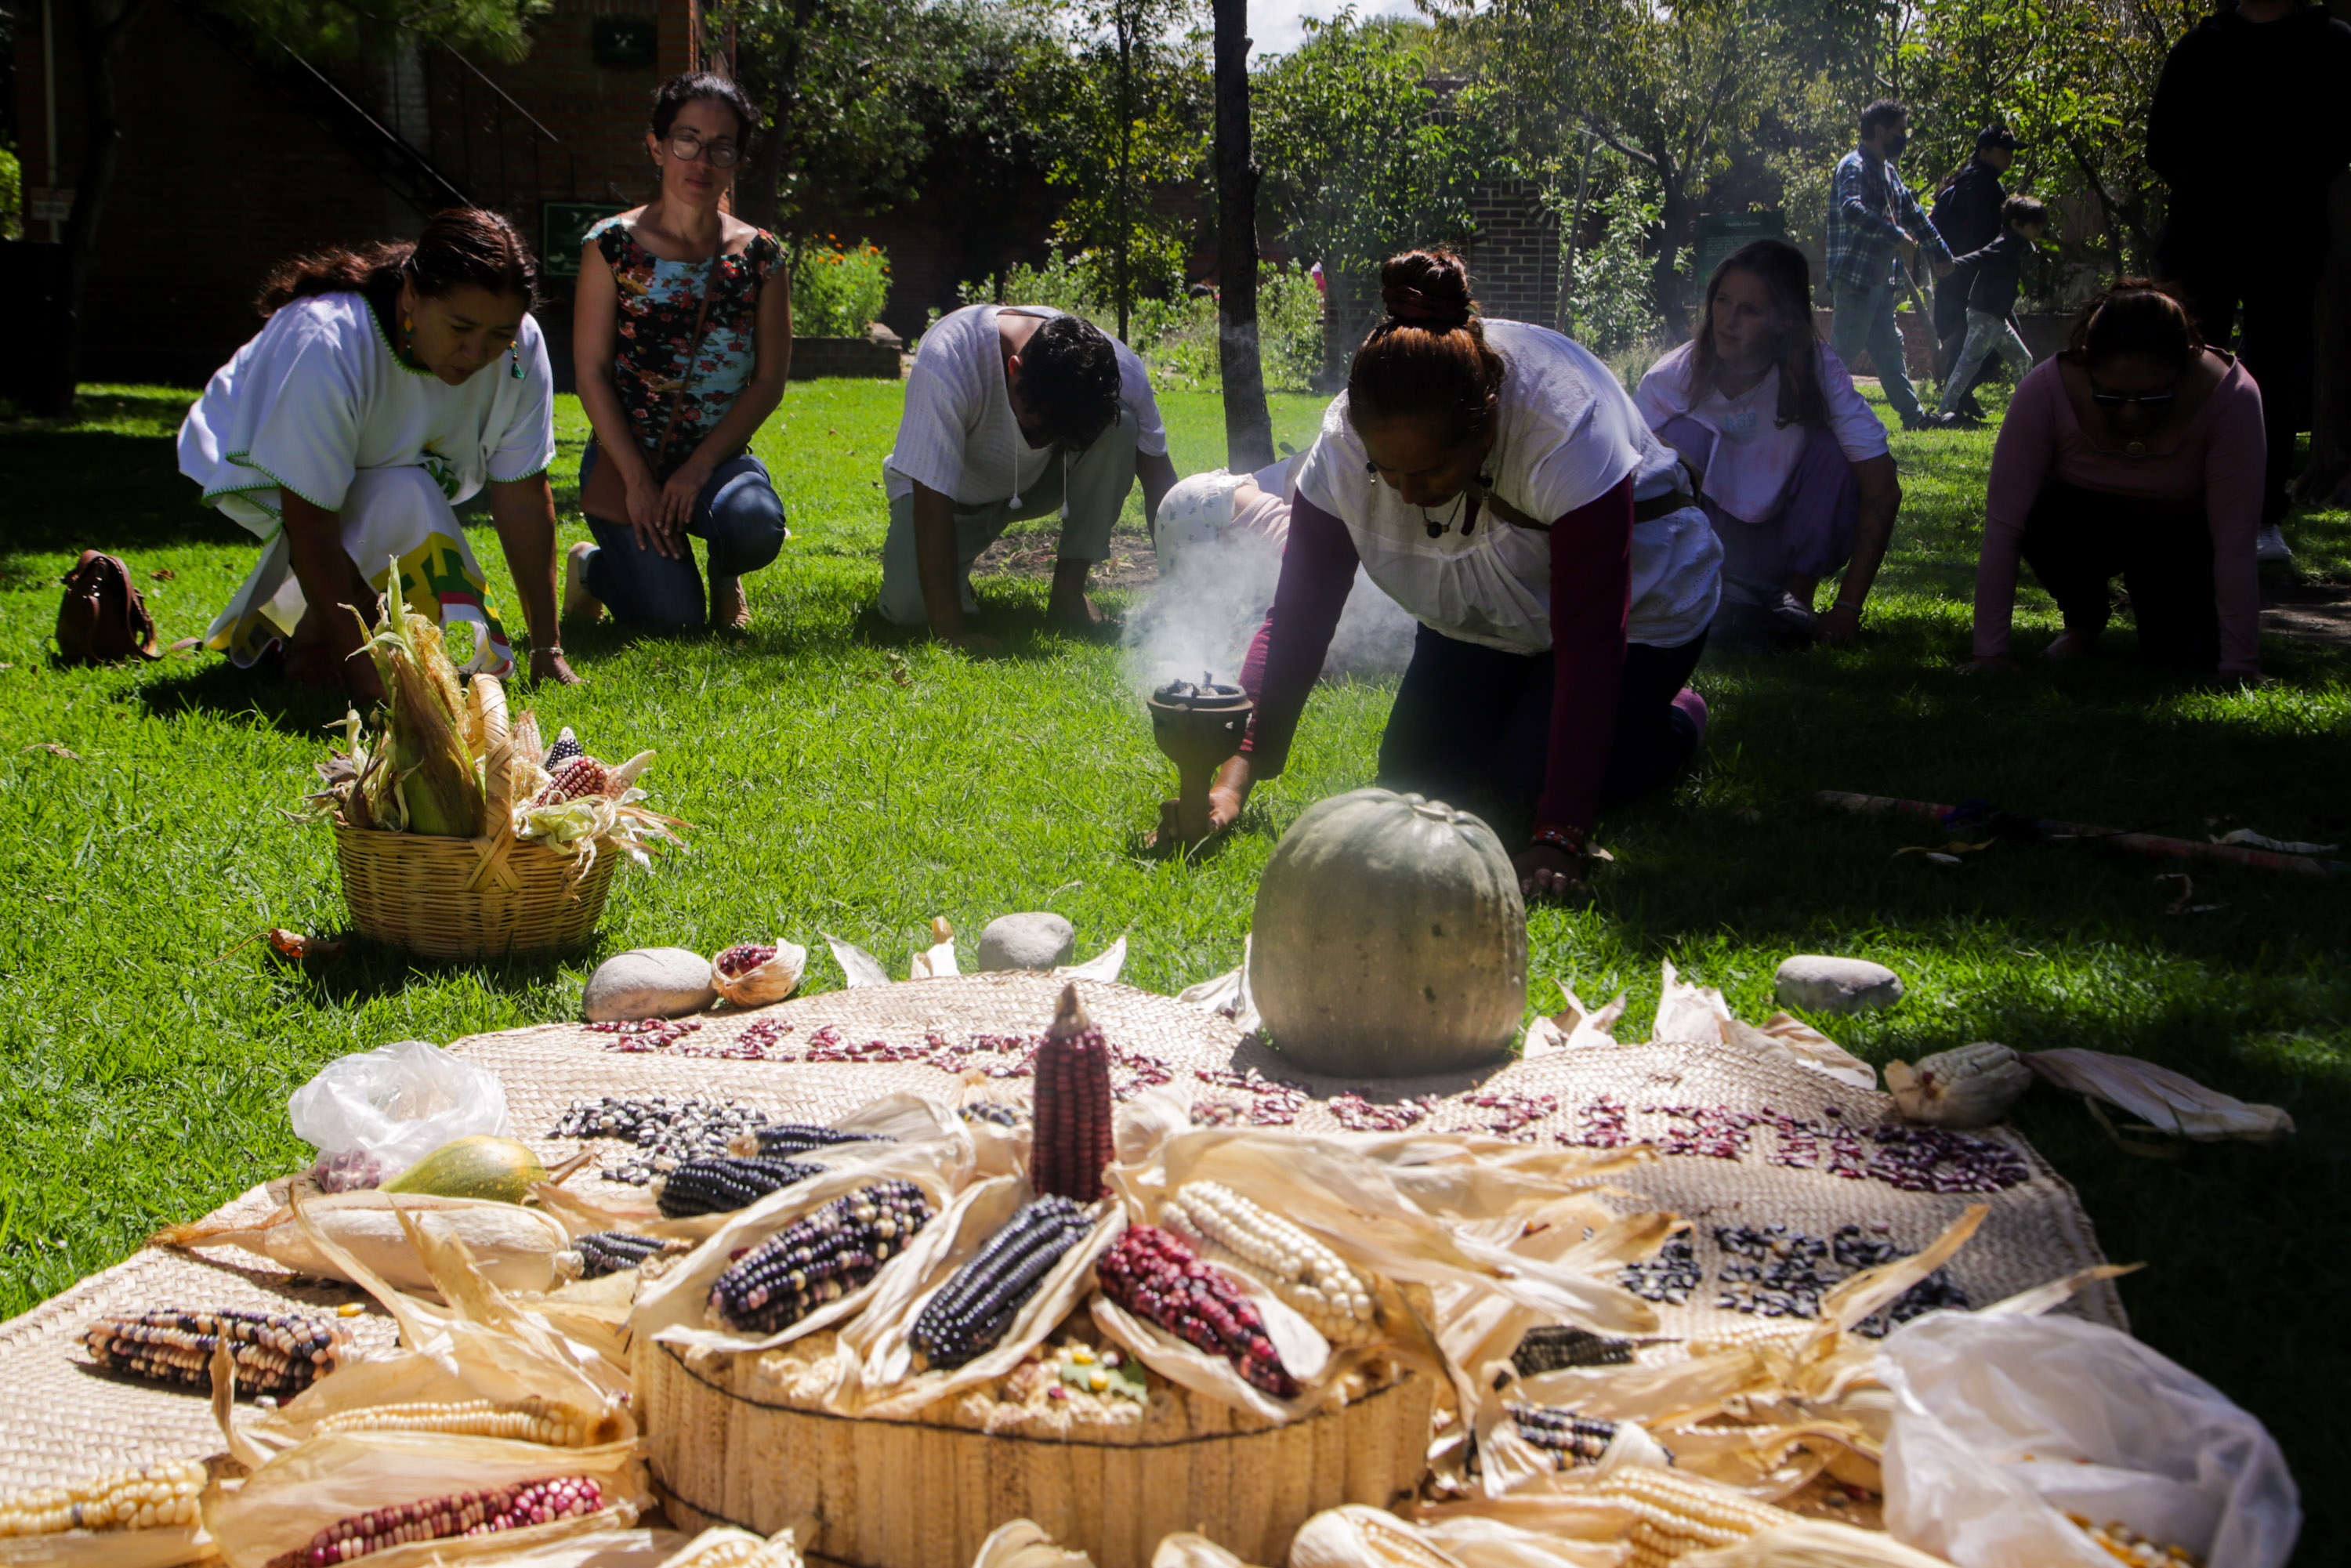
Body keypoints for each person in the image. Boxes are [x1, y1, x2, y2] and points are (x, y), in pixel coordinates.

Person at [1172, 250, 1722, 903]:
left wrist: (1561, 831)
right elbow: (1299, 617)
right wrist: (1234, 773)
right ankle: (1527, 713)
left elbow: (1591, 642)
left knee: (1520, 782)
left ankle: (1678, 717)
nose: (1405, 494)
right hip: (1481, 618)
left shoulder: (1560, 428)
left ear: (1486, 426)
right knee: (1413, 780)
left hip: (1641, 614)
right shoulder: (1344, 448)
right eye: (1388, 471)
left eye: (1430, 472)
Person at [178, 208, 573, 703]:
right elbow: (314, 523)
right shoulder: (330, 341)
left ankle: (336, 636)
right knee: (400, 494)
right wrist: (368, 690)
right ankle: (318, 646)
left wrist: (546, 649)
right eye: (460, 327)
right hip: (261, 447)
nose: (477, 353)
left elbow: (523, 499)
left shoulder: (522, 347)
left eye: (499, 335)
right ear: (411, 295)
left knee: (405, 492)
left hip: (393, 471)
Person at [568, 72, 792, 634]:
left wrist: (698, 467)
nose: (702, 159)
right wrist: (639, 479)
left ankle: (725, 567)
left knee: (756, 525)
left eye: (722, 146)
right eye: (687, 139)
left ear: (737, 159)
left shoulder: (761, 256)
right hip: (626, 463)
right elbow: (591, 372)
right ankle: (589, 569)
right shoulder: (610, 246)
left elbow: (768, 382)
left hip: (716, 465)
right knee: (674, 620)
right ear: (657, 145)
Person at [1965, 281, 2264, 681]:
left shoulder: (2231, 396)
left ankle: (2165, 612)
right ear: (2086, 364)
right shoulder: (2047, 389)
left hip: (2179, 539)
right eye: (2110, 396)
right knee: (2043, 512)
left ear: (2185, 366)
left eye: (2154, 397)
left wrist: (2240, 665)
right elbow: (2003, 527)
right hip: (2085, 525)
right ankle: (2084, 621)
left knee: (2178, 658)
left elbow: (2235, 541)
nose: (2130, 415)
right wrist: (1990, 655)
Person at [2146, 0, 2351, 565]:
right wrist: (2215, 191)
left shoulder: (2333, 44)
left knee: (2275, 373)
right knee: (2189, 365)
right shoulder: (2198, 48)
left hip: (2288, 240)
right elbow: (2160, 143)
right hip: (2202, 240)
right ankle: (2181, 504)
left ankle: (2261, 517)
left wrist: (2289, 184)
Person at [1635, 239, 1899, 650]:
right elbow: (1623, 482)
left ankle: (1794, 606)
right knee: (1682, 438)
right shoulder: (1674, 376)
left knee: (1833, 453)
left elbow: (1882, 488)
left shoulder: (1817, 368)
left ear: (1782, 321)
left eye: (1749, 310)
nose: (1727, 321)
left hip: (1779, 543)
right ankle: (1682, 597)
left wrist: (1848, 607)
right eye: (1722, 301)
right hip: (1701, 546)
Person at [879, 306, 1179, 651]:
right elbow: (931, 505)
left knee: (1119, 424)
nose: (1042, 441)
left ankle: (1068, 597)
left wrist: (1189, 596)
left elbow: (1162, 487)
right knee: (909, 612)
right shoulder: (950, 355)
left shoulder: (1119, 370)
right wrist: (953, 633)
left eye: (1057, 433)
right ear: (1014, 369)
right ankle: (956, 576)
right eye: (1036, 424)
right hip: (950, 497)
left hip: (1034, 487)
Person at [1826, 99, 1958, 432]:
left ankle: (1914, 418)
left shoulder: (1890, 172)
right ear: (1880, 130)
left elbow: (1915, 215)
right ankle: (1805, 411)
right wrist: (1894, 234)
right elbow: (1850, 210)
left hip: (1883, 282)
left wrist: (1940, 253)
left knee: (1888, 351)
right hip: (1857, 279)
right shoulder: (1853, 166)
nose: (1905, 137)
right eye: (1900, 130)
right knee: (1842, 352)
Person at [1930, 124, 2019, 422]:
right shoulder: (1985, 185)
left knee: (1972, 344)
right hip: (1973, 280)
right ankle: (1954, 404)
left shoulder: (1966, 180)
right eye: (2004, 151)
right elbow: (1985, 237)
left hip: (1958, 277)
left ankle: (1959, 399)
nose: (2010, 157)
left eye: (2011, 151)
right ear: (1984, 153)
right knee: (1991, 343)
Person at [1937, 197, 2051, 421]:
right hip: (1985, 315)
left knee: (2022, 359)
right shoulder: (2004, 243)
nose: (2040, 229)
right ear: (2017, 224)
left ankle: (2023, 412)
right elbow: (1980, 256)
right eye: (2035, 225)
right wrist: (1953, 264)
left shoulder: (2017, 243)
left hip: (1997, 317)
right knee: (1968, 364)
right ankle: (1944, 411)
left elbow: (2027, 249)